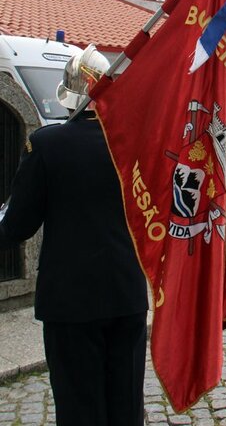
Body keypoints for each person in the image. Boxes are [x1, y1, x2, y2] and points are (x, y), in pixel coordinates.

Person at [0, 45, 148, 426]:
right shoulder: (136, 145)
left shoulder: (48, 145)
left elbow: (18, 226)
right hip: (127, 292)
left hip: (71, 299)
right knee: (125, 404)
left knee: (80, 405)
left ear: (70, 99)